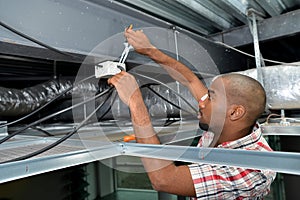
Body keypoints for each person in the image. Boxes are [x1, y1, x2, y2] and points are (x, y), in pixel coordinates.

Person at [108, 28, 276, 199]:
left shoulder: (250, 171)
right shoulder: (229, 124)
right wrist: (150, 50)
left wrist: (135, 101)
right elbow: (190, 80)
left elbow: (164, 180)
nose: (202, 101)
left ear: (234, 112)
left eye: (211, 97)